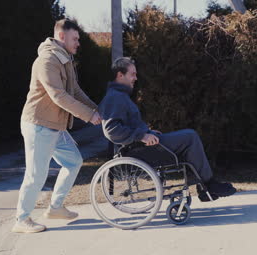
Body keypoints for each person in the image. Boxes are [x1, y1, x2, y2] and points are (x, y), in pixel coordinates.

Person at [98, 57, 236, 202]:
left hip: (140, 146)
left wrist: (148, 133)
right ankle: (208, 185)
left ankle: (205, 187)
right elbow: (111, 130)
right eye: (132, 74)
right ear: (120, 75)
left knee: (189, 139)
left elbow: (128, 125)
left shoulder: (120, 96)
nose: (136, 78)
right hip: (138, 150)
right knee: (190, 136)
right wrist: (142, 136)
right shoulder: (115, 97)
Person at [12, 19, 101, 233]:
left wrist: (97, 109)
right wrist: (89, 116)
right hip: (39, 125)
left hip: (56, 126)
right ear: (62, 36)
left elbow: (75, 91)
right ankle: (21, 220)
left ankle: (55, 207)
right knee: (36, 175)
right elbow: (59, 96)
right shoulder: (47, 61)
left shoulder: (65, 60)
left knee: (73, 161)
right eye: (75, 38)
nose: (78, 42)